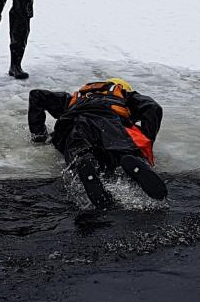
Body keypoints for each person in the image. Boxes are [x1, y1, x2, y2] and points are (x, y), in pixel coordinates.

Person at [28, 78, 167, 209]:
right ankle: (127, 158)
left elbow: (37, 95)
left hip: (72, 124)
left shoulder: (76, 98)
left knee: (79, 153)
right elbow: (153, 108)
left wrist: (39, 135)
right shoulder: (124, 95)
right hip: (108, 122)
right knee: (120, 150)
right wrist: (146, 139)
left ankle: (84, 161)